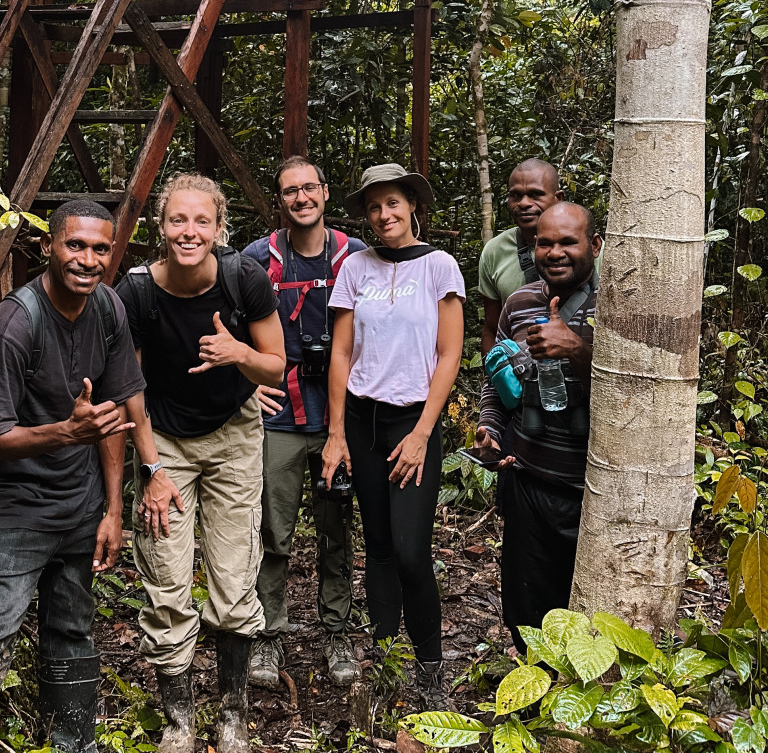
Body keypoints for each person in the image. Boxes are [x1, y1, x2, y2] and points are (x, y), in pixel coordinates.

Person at [0, 200, 151, 753]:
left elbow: (117, 407)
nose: (88, 260)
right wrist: (65, 434)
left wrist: (113, 511)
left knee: (72, 632)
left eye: (101, 249)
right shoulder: (12, 325)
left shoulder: (108, 308)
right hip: (11, 507)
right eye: (76, 246)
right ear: (49, 246)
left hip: (78, 504)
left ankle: (75, 743)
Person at [114, 173, 285, 753]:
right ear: (160, 227)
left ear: (218, 228)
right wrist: (152, 472)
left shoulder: (244, 281)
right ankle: (179, 720)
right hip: (163, 438)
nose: (190, 232)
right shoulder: (136, 293)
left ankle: (233, 711)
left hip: (234, 433)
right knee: (165, 575)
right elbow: (128, 389)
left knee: (234, 577)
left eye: (201, 221)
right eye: (177, 221)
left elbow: (276, 367)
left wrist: (239, 353)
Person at [320, 163, 465, 710]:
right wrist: (335, 433)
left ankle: (430, 670)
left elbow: (449, 355)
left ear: (412, 207)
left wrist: (425, 433)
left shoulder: (439, 266)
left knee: (410, 551)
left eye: (393, 204)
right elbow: (341, 352)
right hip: (362, 420)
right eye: (375, 207)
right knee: (377, 547)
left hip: (412, 423)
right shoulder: (356, 267)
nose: (384, 215)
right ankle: (384, 663)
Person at [242, 157, 368, 690]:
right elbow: (223, 326)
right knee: (274, 530)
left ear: (325, 193)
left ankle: (336, 629)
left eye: (309, 188)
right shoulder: (257, 259)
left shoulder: (354, 256)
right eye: (290, 191)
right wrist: (248, 386)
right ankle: (269, 635)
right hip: (282, 419)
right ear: (282, 200)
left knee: (336, 529)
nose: (301, 198)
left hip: (342, 418)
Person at [473, 202, 602, 652]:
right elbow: (499, 378)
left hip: (591, 491)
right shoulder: (520, 303)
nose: (555, 252)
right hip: (528, 481)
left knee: (588, 613)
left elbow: (638, 394)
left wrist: (578, 350)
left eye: (568, 241)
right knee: (525, 611)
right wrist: (489, 427)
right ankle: (535, 699)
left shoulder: (619, 312)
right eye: (545, 242)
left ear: (595, 245)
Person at [478, 159, 564, 354]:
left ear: (558, 198)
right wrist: (494, 378)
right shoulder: (495, 251)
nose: (524, 203)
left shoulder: (583, 247)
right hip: (519, 376)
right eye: (515, 196)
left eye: (535, 195)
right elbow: (492, 328)